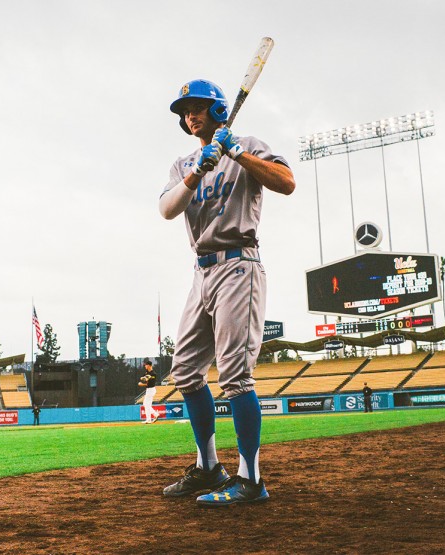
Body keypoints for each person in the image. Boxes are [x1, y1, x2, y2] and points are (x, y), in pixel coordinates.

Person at [159, 79, 295, 506]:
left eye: (197, 107)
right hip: (201, 271)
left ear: (218, 109)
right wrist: (201, 166)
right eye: (185, 111)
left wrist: (236, 153)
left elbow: (286, 182)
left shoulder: (247, 144)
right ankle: (207, 468)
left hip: (239, 264)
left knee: (235, 375)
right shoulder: (184, 163)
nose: (190, 116)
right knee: (184, 370)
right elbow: (166, 209)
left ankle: (251, 480)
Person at [139, 358, 159, 424]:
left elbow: (148, 383)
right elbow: (142, 378)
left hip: (151, 390)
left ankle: (150, 418)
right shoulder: (147, 372)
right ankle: (153, 416)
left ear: (149, 365)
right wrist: (144, 378)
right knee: (146, 404)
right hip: (149, 390)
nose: (145, 366)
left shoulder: (153, 374)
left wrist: (142, 383)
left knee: (146, 404)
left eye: (146, 365)